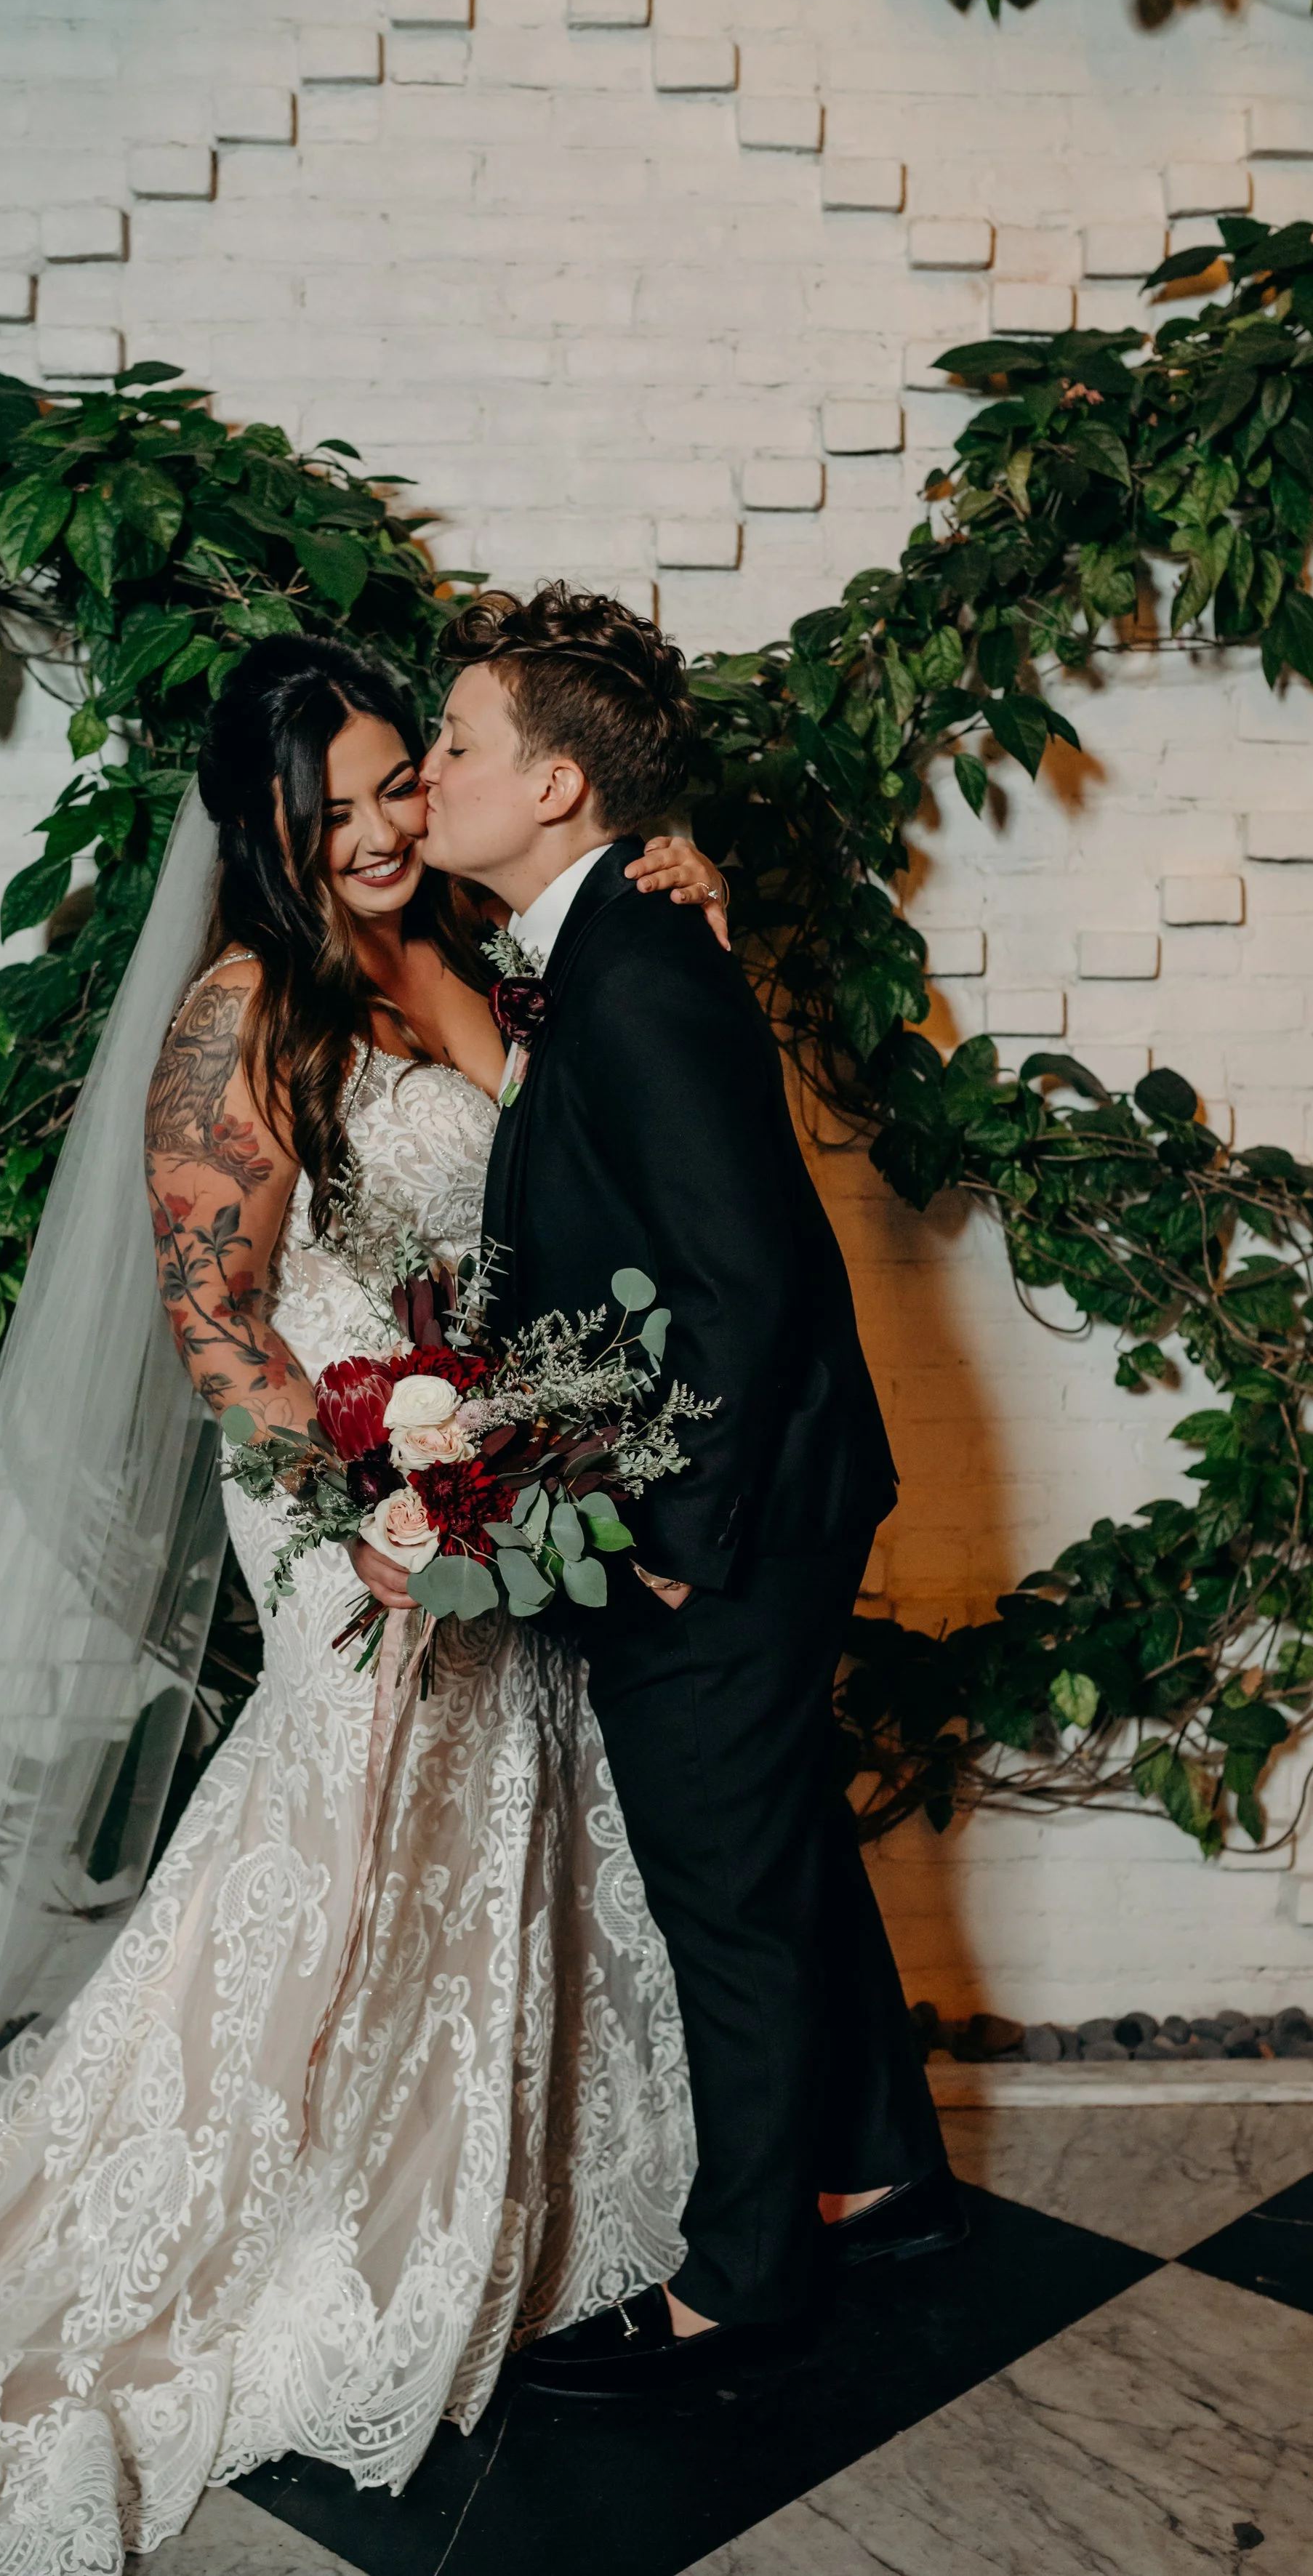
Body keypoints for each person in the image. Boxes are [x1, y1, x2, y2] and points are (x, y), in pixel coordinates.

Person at [0, 632, 730, 2570]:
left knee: (497, 1801)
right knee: (350, 1816)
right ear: (257, 829)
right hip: (349, 1487)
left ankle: (484, 2173)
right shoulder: (245, 1013)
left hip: (487, 1465)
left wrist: (679, 889)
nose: (367, 830)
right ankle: (250, 2207)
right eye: (325, 808)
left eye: (389, 785)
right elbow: (214, 1321)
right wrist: (368, 1489)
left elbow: (596, 1146)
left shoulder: (488, 954)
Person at [376, 584, 965, 2401]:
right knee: (772, 1844)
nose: (422, 786)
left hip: (732, 1521)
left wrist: (683, 1548)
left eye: (454, 749)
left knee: (722, 1888)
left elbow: (747, 1284)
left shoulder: (630, 971)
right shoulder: (608, 944)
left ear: (556, 785)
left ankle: (743, 2281)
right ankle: (880, 2174)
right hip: (751, 1497)